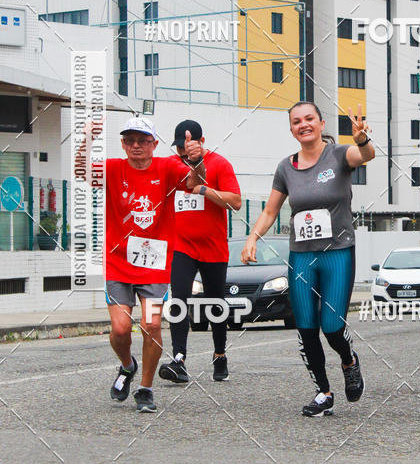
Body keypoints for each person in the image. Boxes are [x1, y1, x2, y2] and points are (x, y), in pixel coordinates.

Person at [241, 102, 375, 416]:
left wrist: (362, 139)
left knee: (330, 325)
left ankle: (349, 361)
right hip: (302, 256)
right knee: (305, 327)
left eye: (309, 119)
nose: (304, 125)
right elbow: (270, 211)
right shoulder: (285, 168)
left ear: (320, 122)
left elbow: (365, 156)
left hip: (338, 253)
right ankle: (323, 392)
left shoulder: (340, 155)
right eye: (297, 121)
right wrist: (252, 238)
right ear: (292, 129)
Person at [76, 116, 203, 412]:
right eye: (130, 141)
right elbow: (81, 172)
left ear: (154, 144)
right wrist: (86, 140)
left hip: (155, 262)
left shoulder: (168, 167)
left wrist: (197, 161)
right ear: (122, 144)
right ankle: (127, 365)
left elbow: (194, 183)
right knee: (121, 329)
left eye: (143, 141)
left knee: (152, 323)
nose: (136, 146)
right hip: (118, 261)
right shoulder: (112, 168)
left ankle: (145, 388)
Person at [158, 119, 242, 384]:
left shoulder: (220, 164)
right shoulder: (173, 166)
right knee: (179, 298)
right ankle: (179, 359)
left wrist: (205, 189)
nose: (183, 155)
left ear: (202, 142)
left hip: (213, 248)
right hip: (181, 247)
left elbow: (236, 202)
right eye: (180, 150)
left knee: (216, 302)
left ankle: (219, 355)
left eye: (188, 149)